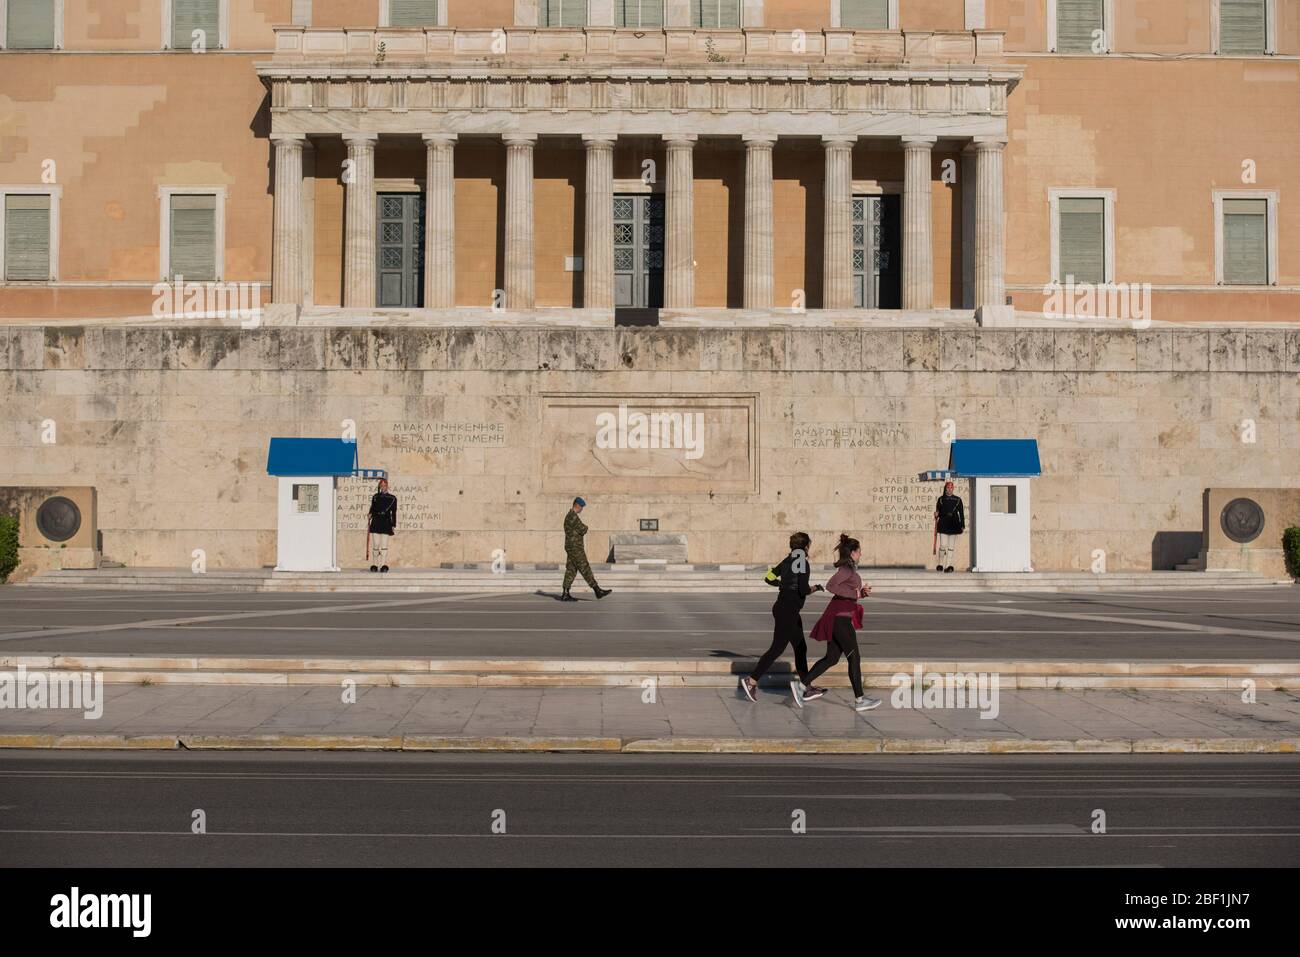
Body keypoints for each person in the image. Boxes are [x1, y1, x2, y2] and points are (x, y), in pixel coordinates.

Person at [793, 533, 881, 713]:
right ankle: (860, 700)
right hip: (839, 619)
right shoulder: (846, 569)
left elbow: (847, 592)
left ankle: (801, 686)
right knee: (854, 657)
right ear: (853, 553)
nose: (861, 554)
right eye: (859, 551)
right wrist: (856, 594)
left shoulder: (849, 569)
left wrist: (861, 593)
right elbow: (831, 586)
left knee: (832, 658)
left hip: (839, 617)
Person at [739, 532, 824, 702]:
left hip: (785, 608)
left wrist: (782, 584)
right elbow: (803, 590)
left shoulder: (787, 561)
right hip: (788, 611)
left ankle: (806, 687)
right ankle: (752, 681)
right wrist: (816, 587)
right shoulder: (802, 563)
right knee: (777, 648)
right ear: (806, 547)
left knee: (800, 648)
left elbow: (768, 577)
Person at [561, 497, 612, 601]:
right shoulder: (573, 517)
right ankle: (597, 590)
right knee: (585, 567)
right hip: (575, 548)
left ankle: (565, 593)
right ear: (577, 506)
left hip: (571, 547)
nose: (582, 509)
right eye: (581, 507)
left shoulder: (569, 516)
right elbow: (583, 529)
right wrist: (585, 527)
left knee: (571, 569)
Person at [934, 480, 965, 573]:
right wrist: (936, 514)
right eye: (948, 488)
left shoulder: (958, 500)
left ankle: (948, 566)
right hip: (943, 523)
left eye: (951, 488)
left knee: (951, 547)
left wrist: (962, 525)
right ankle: (940, 564)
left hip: (954, 524)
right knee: (943, 545)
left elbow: (961, 513)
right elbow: (938, 511)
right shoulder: (940, 499)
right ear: (945, 488)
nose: (950, 490)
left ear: (953, 489)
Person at [367, 478, 397, 573]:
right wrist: (370, 514)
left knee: (384, 545)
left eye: (385, 485)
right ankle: (375, 564)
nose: (383, 487)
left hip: (386, 522)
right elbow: (372, 507)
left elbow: (394, 512)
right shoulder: (375, 497)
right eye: (381, 485)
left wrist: (393, 524)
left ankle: (383, 564)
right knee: (376, 544)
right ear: (379, 486)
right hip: (376, 520)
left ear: (387, 486)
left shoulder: (392, 498)